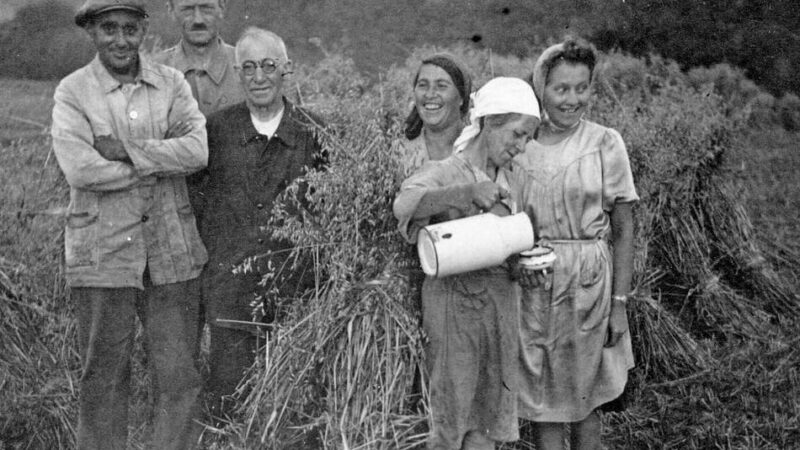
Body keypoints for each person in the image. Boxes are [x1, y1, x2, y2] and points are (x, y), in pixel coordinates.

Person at [52, 0, 207, 448]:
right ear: (92, 33)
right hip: (102, 253)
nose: (120, 39)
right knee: (103, 376)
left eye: (129, 29)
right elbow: (82, 170)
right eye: (108, 29)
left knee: (179, 376)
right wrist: (157, 159)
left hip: (171, 250)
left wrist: (123, 149)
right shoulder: (73, 92)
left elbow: (197, 151)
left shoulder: (171, 83)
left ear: (143, 31)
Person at [394, 77, 540, 450]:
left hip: (498, 311)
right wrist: (465, 193)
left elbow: (503, 247)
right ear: (490, 122)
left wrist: (522, 267)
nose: (521, 147)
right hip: (454, 313)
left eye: (527, 139)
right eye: (517, 135)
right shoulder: (448, 171)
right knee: (449, 417)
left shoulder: (510, 180)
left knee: (487, 418)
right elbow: (405, 205)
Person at [190, 26, 325, 416]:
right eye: (248, 67)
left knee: (291, 407)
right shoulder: (215, 131)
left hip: (297, 296)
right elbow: (195, 202)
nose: (259, 76)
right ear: (237, 73)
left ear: (288, 69)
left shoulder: (315, 132)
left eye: (269, 65)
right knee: (230, 402)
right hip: (230, 292)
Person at [514, 38, 637, 450]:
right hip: (535, 283)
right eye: (561, 89)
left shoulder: (604, 142)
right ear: (541, 89)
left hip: (589, 282)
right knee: (541, 396)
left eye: (581, 88)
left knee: (586, 396)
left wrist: (619, 305)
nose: (572, 99)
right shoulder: (521, 144)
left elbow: (623, 229)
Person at [154, 0, 244, 117]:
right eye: (187, 9)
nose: (198, 20)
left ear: (221, 7)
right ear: (171, 10)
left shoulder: (247, 67)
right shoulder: (152, 72)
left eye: (206, 8)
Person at [400, 54, 472, 170]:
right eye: (423, 85)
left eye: (441, 86)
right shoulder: (400, 154)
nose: (430, 94)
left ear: (462, 97)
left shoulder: (479, 151)